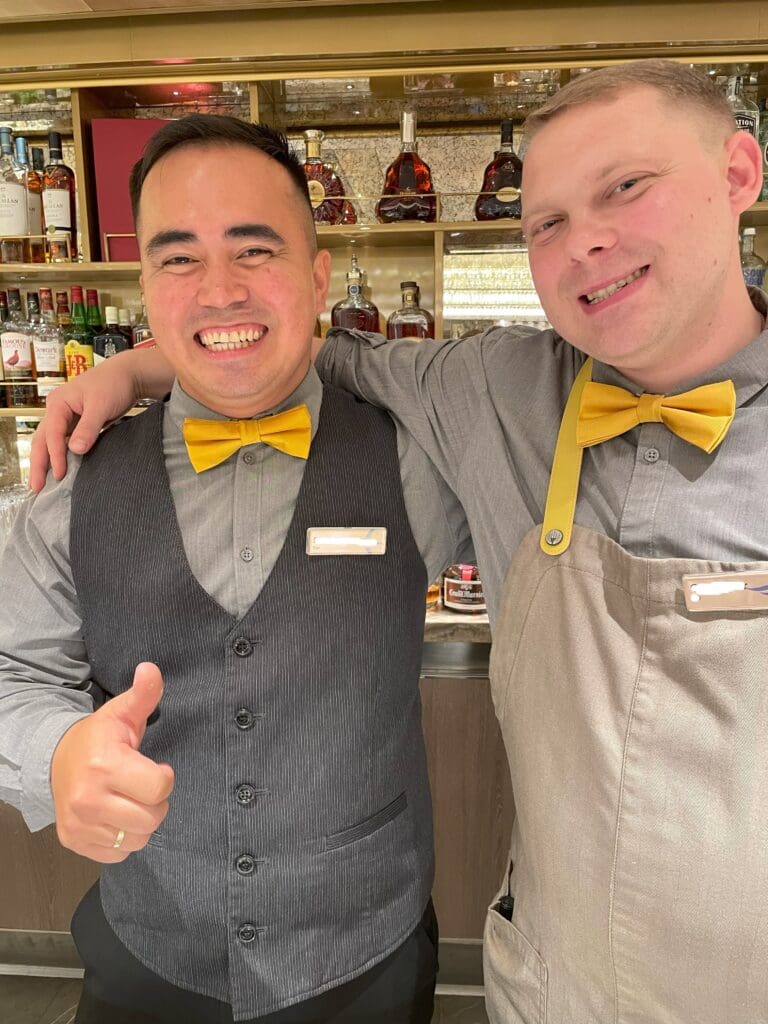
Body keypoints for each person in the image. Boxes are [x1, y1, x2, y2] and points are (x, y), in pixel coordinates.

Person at [28, 58, 768, 1022]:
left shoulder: (430, 434)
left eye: (627, 187)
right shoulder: (492, 393)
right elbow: (284, 342)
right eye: (544, 222)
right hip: (549, 985)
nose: (588, 243)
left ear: (739, 174)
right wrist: (135, 366)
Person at [0, 115, 475, 1024]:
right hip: (145, 950)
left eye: (254, 249)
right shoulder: (75, 480)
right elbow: (9, 667)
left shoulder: (421, 455)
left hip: (364, 957)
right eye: (178, 258)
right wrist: (55, 753)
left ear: (318, 275)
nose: (219, 289)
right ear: (145, 285)